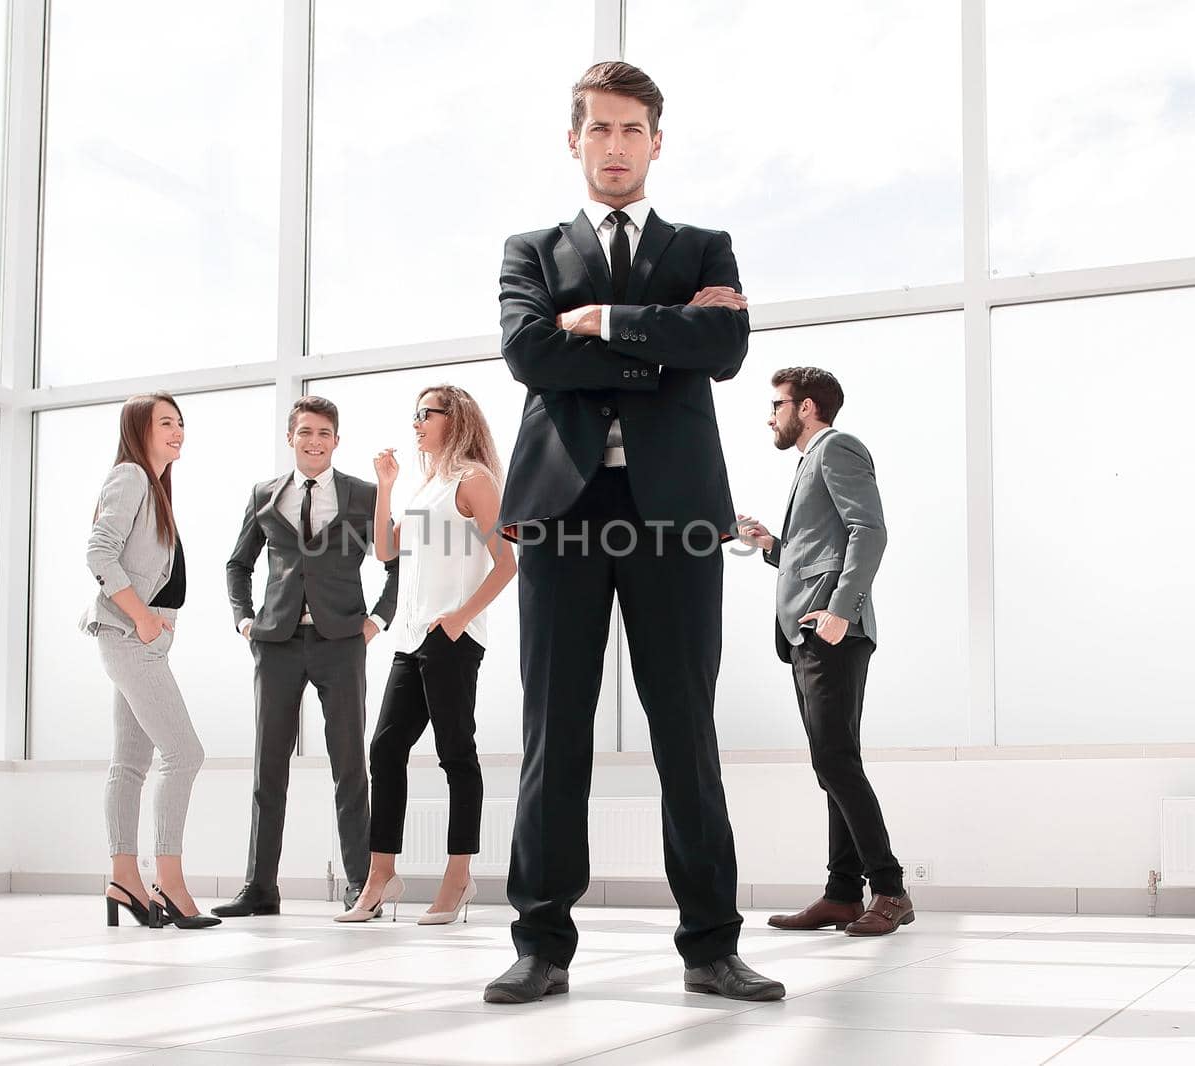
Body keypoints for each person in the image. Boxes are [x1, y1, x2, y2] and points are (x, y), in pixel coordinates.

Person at [483, 61, 784, 1004]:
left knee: (686, 734)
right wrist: (663, 341)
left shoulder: (705, 245)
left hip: (678, 519)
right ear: (572, 140)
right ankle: (540, 944)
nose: (614, 147)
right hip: (563, 516)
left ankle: (710, 947)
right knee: (551, 735)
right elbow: (529, 351)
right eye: (598, 130)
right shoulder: (530, 249)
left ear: (658, 140)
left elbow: (726, 351)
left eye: (631, 130)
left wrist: (606, 320)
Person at [736, 367, 912, 936]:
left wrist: (841, 610)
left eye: (777, 405)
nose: (771, 416)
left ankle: (889, 888)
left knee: (834, 761)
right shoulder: (810, 460)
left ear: (806, 407)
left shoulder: (837, 447)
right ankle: (842, 893)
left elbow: (870, 529)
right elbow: (819, 546)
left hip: (830, 628)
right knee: (833, 763)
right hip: (810, 627)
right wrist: (770, 546)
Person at [336, 386, 517, 925]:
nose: (415, 423)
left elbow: (506, 563)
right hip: (411, 638)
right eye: (414, 414)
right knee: (385, 749)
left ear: (452, 418)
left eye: (425, 414)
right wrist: (387, 488)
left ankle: (458, 877)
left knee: (456, 753)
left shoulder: (473, 481)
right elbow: (387, 553)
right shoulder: (426, 485)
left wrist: (461, 618)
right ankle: (381, 875)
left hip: (452, 637)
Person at [215, 396, 398, 917]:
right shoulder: (264, 495)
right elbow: (237, 564)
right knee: (267, 767)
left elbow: (394, 563)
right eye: (305, 433)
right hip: (276, 643)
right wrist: (244, 620)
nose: (314, 441)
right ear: (290, 437)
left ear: (336, 440)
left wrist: (377, 621)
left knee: (349, 767)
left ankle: (361, 885)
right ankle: (260, 889)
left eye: (323, 433)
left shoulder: (363, 494)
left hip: (341, 642)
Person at [81, 391, 218, 931]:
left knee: (131, 762)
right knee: (185, 754)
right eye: (165, 422)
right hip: (130, 634)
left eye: (180, 422)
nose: (177, 431)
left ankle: (123, 877)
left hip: (142, 636)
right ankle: (169, 880)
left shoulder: (155, 486)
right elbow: (98, 551)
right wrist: (141, 617)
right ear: (138, 428)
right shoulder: (132, 477)